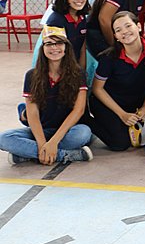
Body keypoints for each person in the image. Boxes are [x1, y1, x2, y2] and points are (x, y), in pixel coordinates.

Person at [1, 25, 93, 165]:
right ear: (42, 48)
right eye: (49, 44)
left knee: (83, 133)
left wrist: (53, 142)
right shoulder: (32, 75)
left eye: (59, 43)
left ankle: (27, 155)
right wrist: (42, 143)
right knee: (4, 138)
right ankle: (66, 155)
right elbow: (33, 114)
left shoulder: (78, 73)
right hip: (42, 130)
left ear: (66, 47)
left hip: (67, 130)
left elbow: (78, 110)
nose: (54, 48)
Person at [90, 11, 145, 150]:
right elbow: (97, 89)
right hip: (111, 102)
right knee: (120, 143)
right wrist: (122, 114)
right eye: (118, 30)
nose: (124, 32)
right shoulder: (108, 57)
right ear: (116, 37)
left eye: (128, 26)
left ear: (139, 26)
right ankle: (86, 121)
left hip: (138, 101)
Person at [40, 0, 90, 69]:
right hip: (59, 70)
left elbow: (82, 49)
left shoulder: (82, 17)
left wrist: (82, 73)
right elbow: (53, 54)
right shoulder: (55, 21)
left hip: (74, 68)